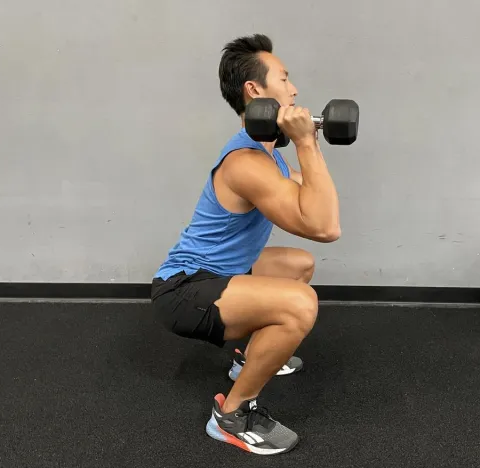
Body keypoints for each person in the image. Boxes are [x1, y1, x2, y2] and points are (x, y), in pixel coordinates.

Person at [150, 33, 341, 455]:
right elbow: (326, 225)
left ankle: (244, 356)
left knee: (298, 265)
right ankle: (233, 414)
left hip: (217, 275)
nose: (294, 90)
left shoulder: (267, 156)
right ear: (254, 90)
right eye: (285, 79)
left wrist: (305, 145)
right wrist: (308, 141)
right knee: (300, 303)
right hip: (184, 290)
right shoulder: (247, 163)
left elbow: (311, 200)